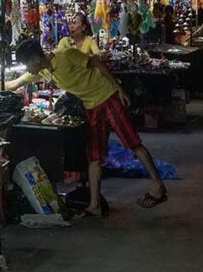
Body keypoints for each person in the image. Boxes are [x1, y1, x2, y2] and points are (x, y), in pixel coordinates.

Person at [12, 39, 167, 217]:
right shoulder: (45, 71)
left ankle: (158, 186)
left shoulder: (66, 55)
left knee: (132, 143)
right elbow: (15, 83)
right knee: (94, 157)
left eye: (26, 64)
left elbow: (97, 63)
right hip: (91, 108)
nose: (26, 69)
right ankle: (95, 205)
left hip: (108, 97)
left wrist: (120, 89)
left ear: (35, 60)